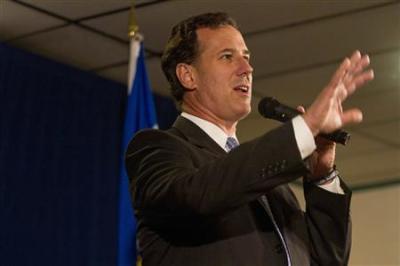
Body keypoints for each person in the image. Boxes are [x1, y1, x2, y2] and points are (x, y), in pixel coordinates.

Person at [125, 12, 374, 266]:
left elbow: (327, 260)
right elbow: (198, 195)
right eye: (227, 57)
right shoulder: (155, 149)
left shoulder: (274, 187)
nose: (247, 69)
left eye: (246, 57)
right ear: (188, 76)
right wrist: (304, 129)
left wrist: (321, 175)